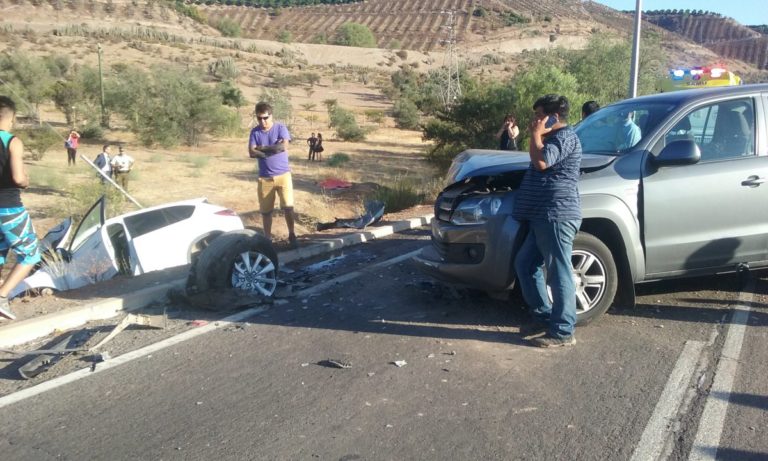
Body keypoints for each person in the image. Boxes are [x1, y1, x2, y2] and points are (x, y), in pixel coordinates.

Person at [513, 94, 582, 348]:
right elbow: (538, 157)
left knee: (558, 271)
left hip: (556, 215)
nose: (535, 120)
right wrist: (538, 135)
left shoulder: (565, 138)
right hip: (543, 215)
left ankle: (563, 331)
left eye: (539, 115)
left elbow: (542, 162)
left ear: (553, 117)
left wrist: (535, 134)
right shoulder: (550, 138)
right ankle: (543, 317)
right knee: (525, 264)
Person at [0, 96, 42, 321]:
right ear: (11, 117)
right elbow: (17, 178)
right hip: (9, 208)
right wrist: (26, 179)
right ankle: (2, 296)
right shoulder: (12, 142)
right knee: (30, 254)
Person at [248, 102, 297, 247]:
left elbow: (284, 146)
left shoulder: (280, 128)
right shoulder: (255, 132)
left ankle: (292, 234)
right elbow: (251, 152)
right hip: (265, 178)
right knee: (266, 212)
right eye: (259, 118)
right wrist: (273, 148)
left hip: (283, 175)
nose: (262, 121)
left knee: (288, 207)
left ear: (271, 115)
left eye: (265, 118)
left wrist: (262, 148)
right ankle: (267, 240)